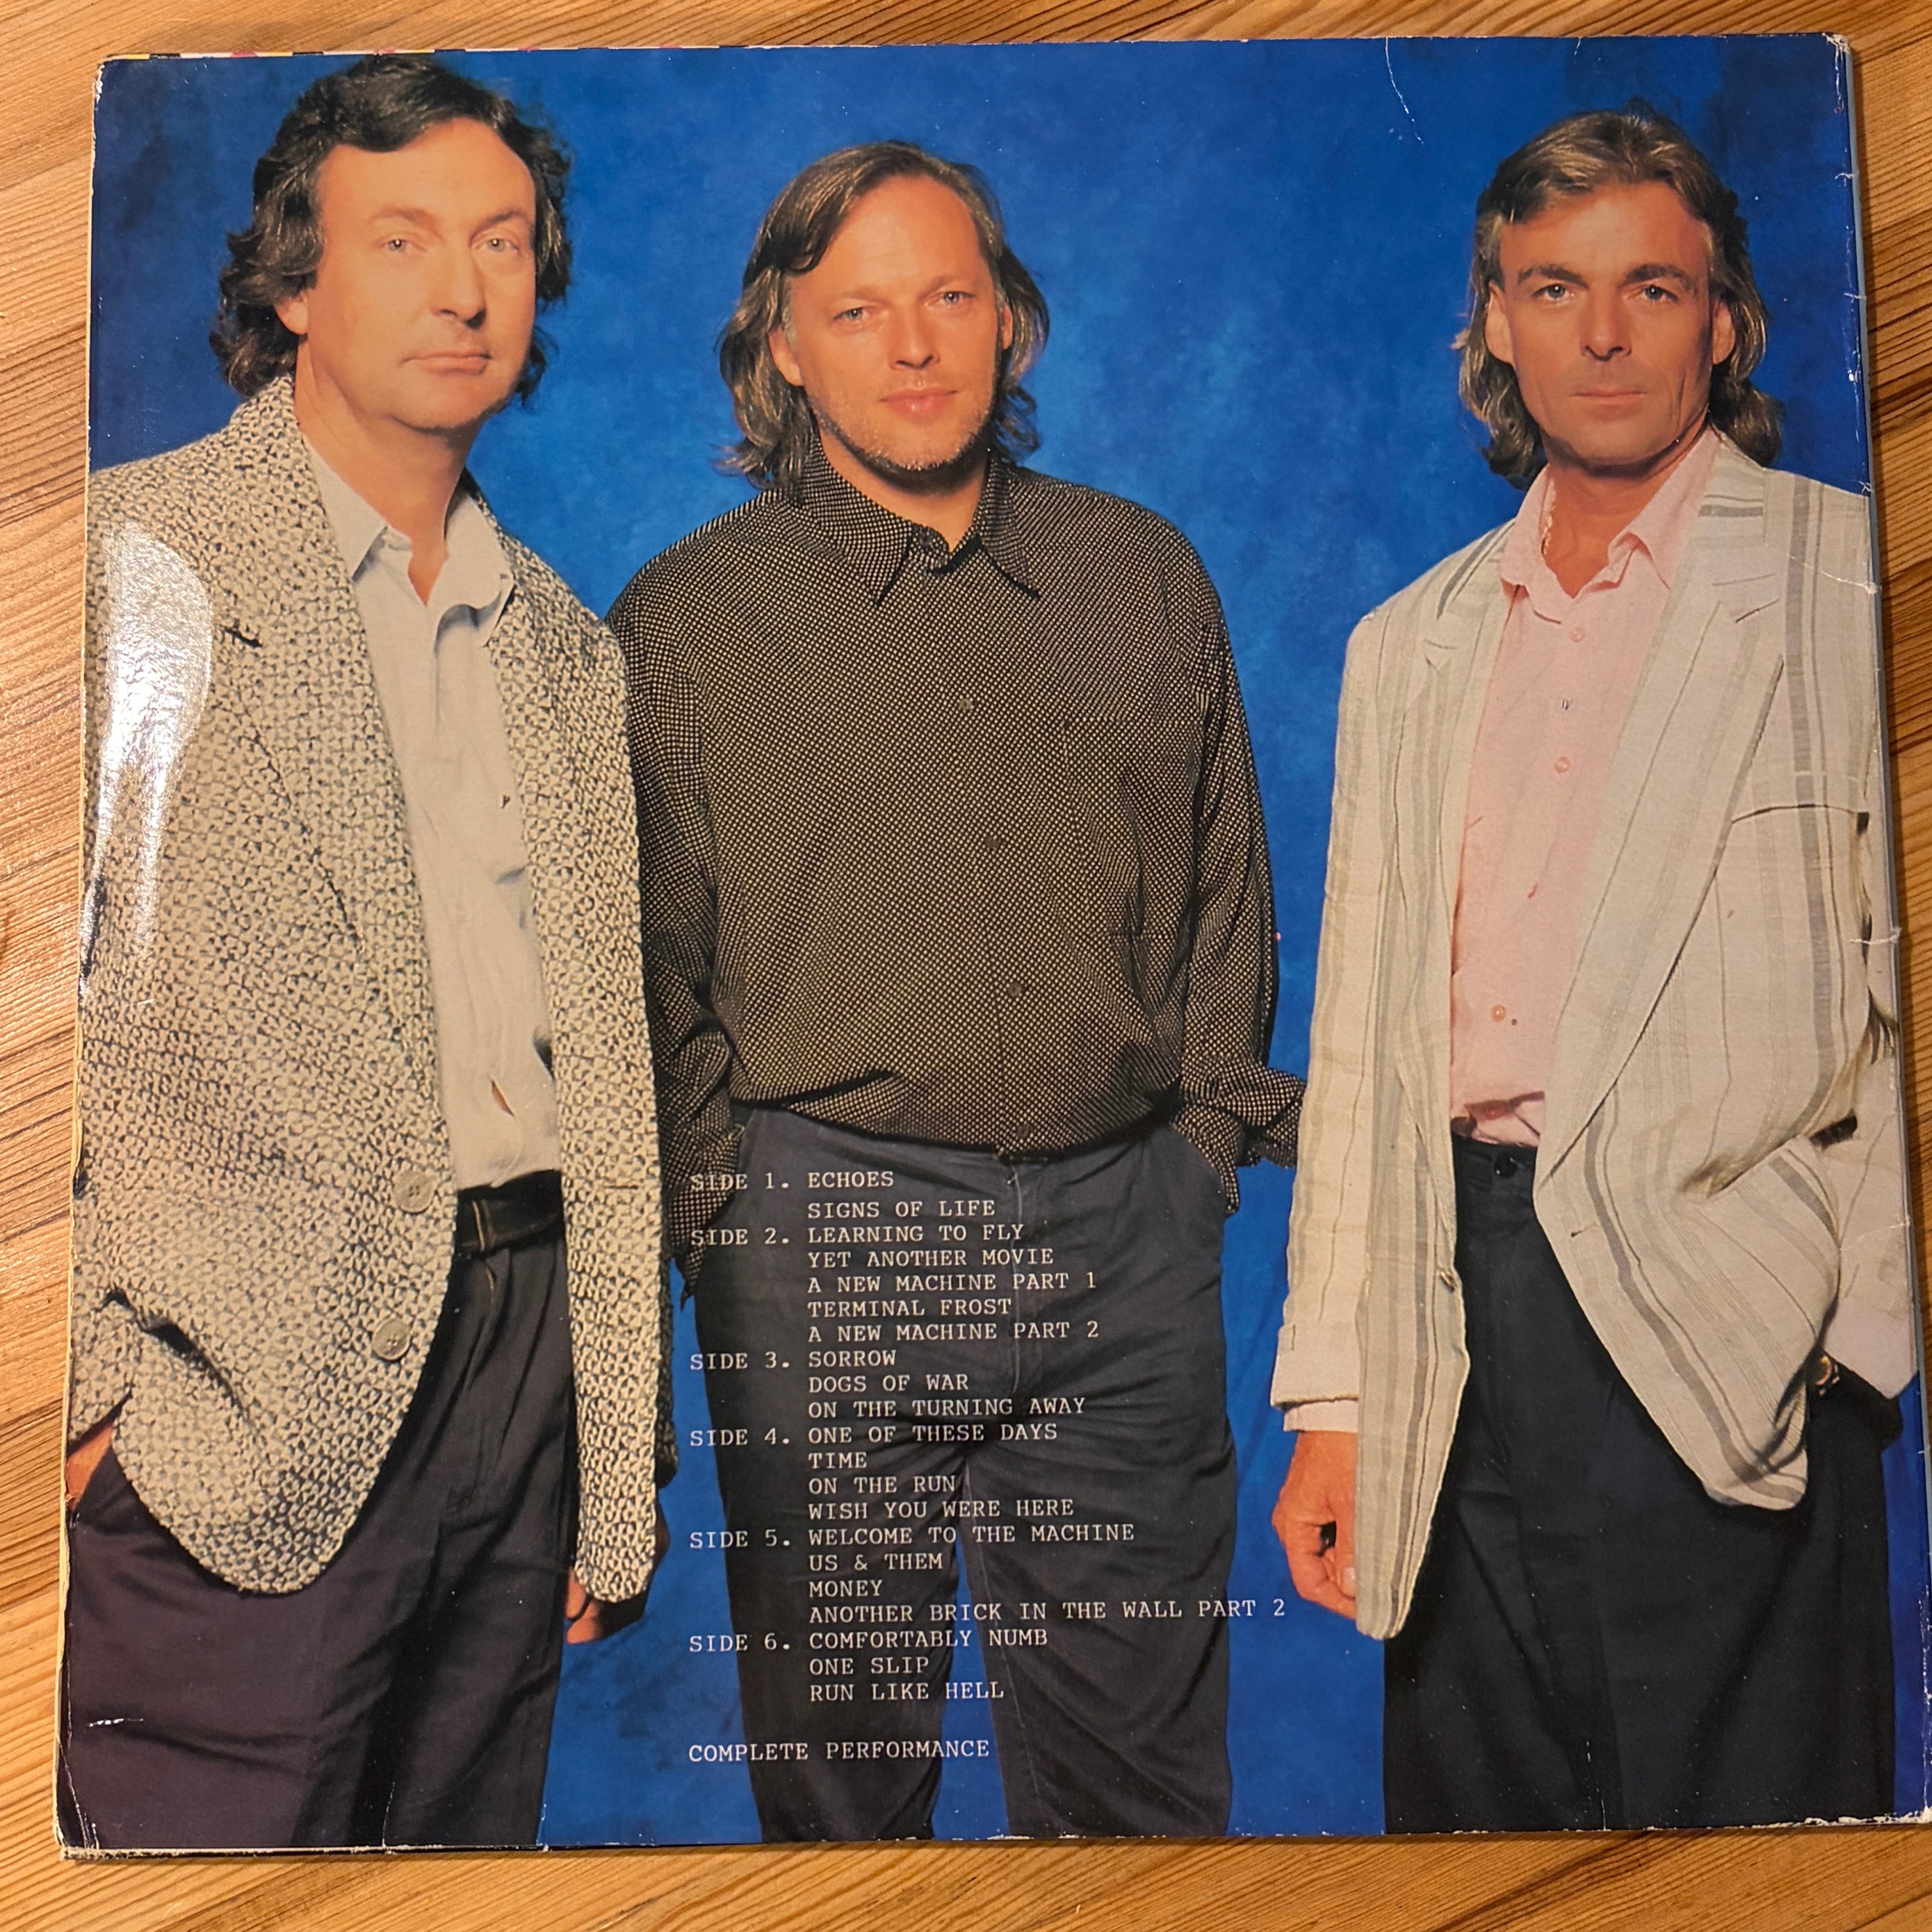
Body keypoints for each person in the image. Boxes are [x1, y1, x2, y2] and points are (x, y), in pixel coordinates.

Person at [610, 141, 1301, 1842]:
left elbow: (1226, 900)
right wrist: (734, 1226)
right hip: (828, 1244)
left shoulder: (1142, 576)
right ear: (785, 345)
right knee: (843, 1797)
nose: (913, 345)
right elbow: (648, 980)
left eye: (949, 296)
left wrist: (1197, 1160)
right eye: (858, 311)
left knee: (1144, 1801)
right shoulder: (687, 626)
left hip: (1121, 1237)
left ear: (1011, 322)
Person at [1270, 106, 1911, 1832]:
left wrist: (1858, 1339)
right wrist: (1339, 1397)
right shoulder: (1408, 643)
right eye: (1555, 288)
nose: (1604, 334)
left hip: (1727, 1321)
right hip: (1449, 1309)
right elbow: (1366, 1051)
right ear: (1496, 320)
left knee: (1743, 1860)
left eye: (1655, 287)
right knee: (1480, 1851)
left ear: (1729, 322)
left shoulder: (1849, 580)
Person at [61, 54, 670, 1850]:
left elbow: (607, 1071)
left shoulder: (566, 644)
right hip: (229, 1398)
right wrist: (80, 1403)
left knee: (460, 1882)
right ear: (295, 287)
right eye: (401, 240)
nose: (465, 288)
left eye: (502, 241)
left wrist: (607, 1452)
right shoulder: (122, 561)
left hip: (525, 1369)